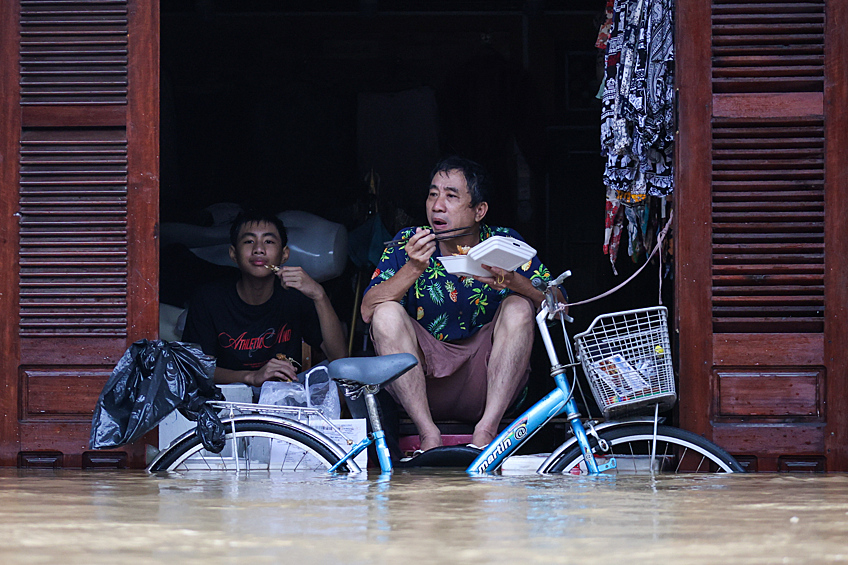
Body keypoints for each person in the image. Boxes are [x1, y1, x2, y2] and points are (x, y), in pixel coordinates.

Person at [361, 156, 553, 452]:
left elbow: (558, 306)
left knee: (519, 306)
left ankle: (486, 431)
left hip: (489, 382)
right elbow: (367, 311)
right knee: (386, 312)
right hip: (423, 383)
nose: (437, 206)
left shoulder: (504, 242)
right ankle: (428, 434)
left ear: (479, 210)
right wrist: (412, 268)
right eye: (433, 194)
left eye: (451, 196)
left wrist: (514, 282)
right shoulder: (408, 244)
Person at [182, 210, 347, 386]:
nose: (259, 249)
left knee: (341, 384)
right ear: (233, 254)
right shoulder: (209, 298)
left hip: (284, 397)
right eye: (249, 241)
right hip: (227, 398)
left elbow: (340, 361)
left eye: (268, 241)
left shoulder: (296, 295)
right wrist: (251, 377)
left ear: (284, 254)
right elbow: (196, 369)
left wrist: (319, 295)